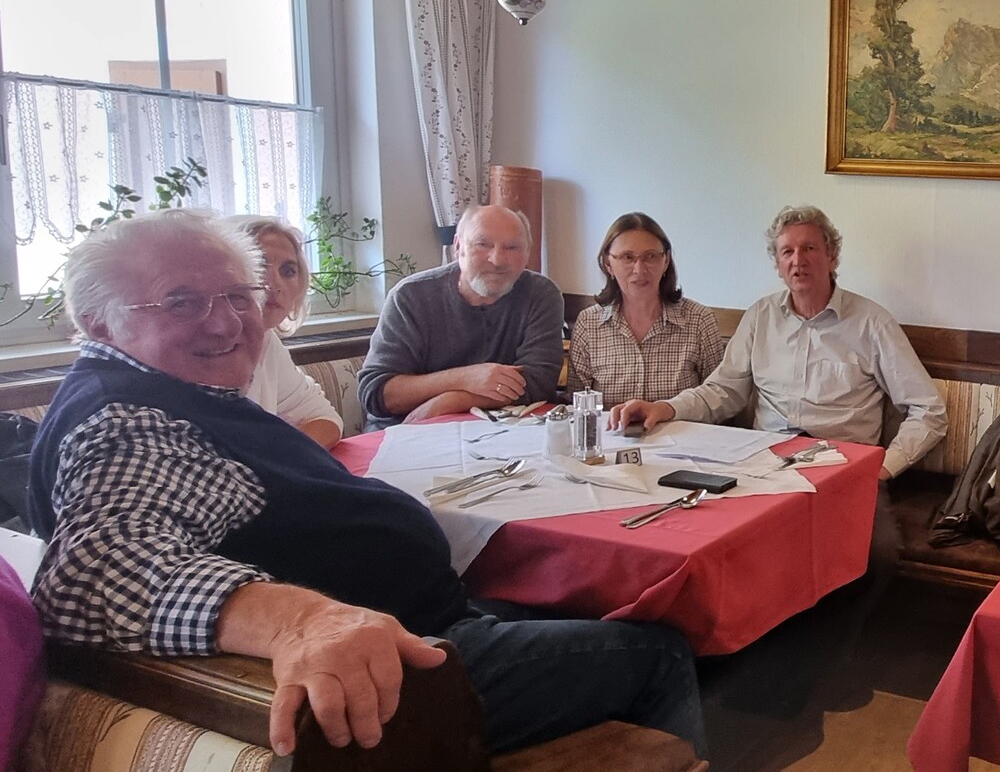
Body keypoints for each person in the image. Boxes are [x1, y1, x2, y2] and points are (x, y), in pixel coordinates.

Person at [27, 209, 706, 760]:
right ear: (97, 320)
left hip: (425, 619)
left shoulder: (173, 392)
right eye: (181, 302)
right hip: (413, 667)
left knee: (596, 600)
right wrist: (303, 621)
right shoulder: (127, 419)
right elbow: (93, 569)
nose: (227, 322)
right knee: (661, 647)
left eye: (238, 296)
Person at [610, 204, 947, 482]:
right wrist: (664, 408)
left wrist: (883, 468)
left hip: (842, 468)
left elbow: (929, 410)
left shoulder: (872, 323)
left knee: (869, 542)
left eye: (809, 248)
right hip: (764, 465)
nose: (798, 260)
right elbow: (722, 391)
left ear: (832, 257)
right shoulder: (760, 317)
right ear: (778, 265)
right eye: (787, 251)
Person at [358, 205, 564, 429]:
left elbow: (538, 383)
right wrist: (465, 378)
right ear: (458, 247)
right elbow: (376, 393)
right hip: (406, 429)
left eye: (512, 247)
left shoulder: (540, 294)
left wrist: (453, 401)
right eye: (482, 244)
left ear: (527, 253)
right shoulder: (410, 296)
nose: (497, 259)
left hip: (499, 429)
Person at [568, 212, 724, 407]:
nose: (639, 269)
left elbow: (717, 399)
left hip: (680, 428)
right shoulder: (588, 323)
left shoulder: (699, 320)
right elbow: (577, 404)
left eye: (650, 256)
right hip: (611, 428)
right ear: (608, 264)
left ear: (666, 260)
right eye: (627, 257)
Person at [227, 215, 342, 448]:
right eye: (258, 265)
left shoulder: (267, 342)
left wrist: (282, 456)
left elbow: (326, 419)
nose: (274, 284)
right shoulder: (197, 355)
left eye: (288, 271)